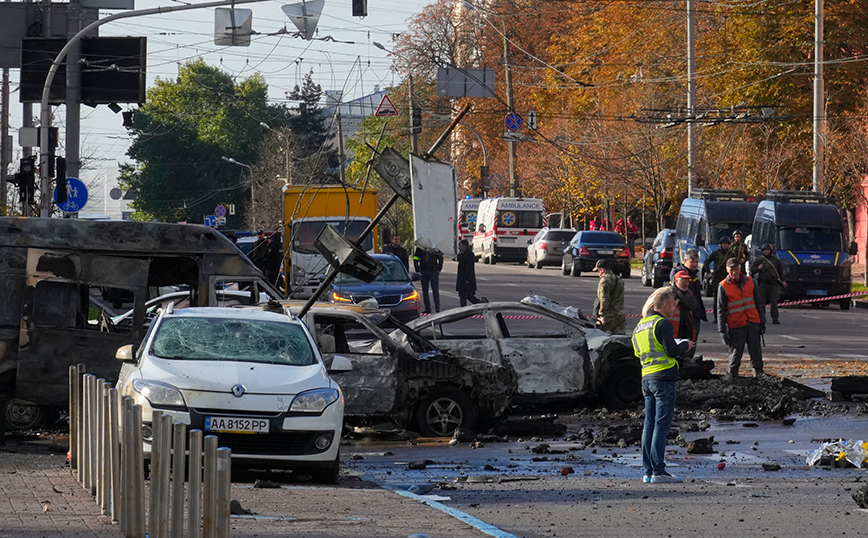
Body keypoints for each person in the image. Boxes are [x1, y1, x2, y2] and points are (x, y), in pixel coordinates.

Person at [632, 287, 693, 484]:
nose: (675, 310)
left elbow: (638, 353)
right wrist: (686, 345)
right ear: (664, 305)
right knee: (661, 425)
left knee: (648, 425)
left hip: (646, 378)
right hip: (664, 378)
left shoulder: (639, 326)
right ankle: (658, 470)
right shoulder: (662, 324)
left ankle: (648, 471)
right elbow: (671, 351)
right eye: (674, 306)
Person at [717, 258, 766, 381]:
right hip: (736, 324)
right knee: (735, 353)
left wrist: (762, 320)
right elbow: (720, 310)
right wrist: (722, 330)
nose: (734, 272)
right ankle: (732, 375)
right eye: (731, 269)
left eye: (736, 269)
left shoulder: (750, 281)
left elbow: (758, 302)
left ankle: (758, 374)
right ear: (727, 270)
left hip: (753, 322)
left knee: (756, 352)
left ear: (740, 269)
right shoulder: (723, 286)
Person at [670, 249, 707, 339]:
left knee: (692, 342)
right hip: (683, 315)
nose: (695, 264)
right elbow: (676, 292)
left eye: (696, 262)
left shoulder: (694, 274)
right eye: (692, 262)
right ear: (685, 260)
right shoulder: (678, 273)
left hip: (695, 314)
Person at [751, 242, 786, 325]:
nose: (766, 252)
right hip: (763, 283)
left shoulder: (776, 261)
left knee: (774, 301)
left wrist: (783, 280)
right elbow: (752, 269)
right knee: (761, 302)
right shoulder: (760, 260)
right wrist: (758, 268)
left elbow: (780, 272)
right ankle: (761, 318)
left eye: (768, 250)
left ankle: (775, 318)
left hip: (773, 283)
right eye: (765, 250)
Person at [593, 260, 625, 334]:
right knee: (619, 339)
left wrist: (602, 315)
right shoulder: (619, 279)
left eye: (597, 271)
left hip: (609, 316)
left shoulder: (604, 281)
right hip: (620, 314)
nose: (598, 273)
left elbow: (604, 300)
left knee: (599, 337)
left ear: (602, 269)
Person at [669, 270, 697, 342]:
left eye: (687, 281)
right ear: (676, 281)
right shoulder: (669, 293)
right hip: (673, 330)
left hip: (686, 329)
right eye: (683, 281)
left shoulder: (689, 293)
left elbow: (693, 306)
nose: (686, 284)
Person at [414, 247, 443, 314]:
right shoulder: (420, 246)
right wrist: (417, 269)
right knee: (425, 291)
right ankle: (427, 308)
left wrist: (439, 268)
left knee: (435, 290)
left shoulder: (434, 246)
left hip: (433, 270)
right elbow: (416, 257)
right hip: (424, 271)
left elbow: (440, 257)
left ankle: (437, 308)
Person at [457, 239, 483, 306]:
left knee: (464, 294)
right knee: (467, 295)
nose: (460, 247)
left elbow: (469, 268)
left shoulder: (469, 255)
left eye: (461, 246)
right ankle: (480, 303)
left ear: (465, 246)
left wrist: (467, 279)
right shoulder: (462, 254)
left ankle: (463, 309)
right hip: (462, 278)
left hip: (466, 278)